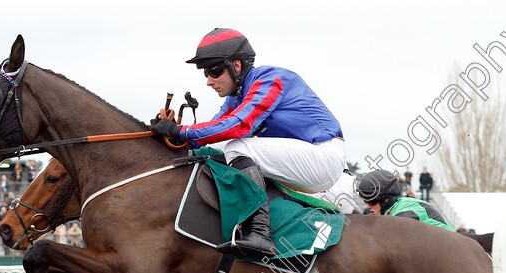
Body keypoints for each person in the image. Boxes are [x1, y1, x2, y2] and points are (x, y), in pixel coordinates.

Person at [150, 28, 354, 258]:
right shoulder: (236, 97)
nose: (208, 81)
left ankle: (260, 233)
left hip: (324, 158)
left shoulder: (271, 80)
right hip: (305, 161)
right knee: (215, 150)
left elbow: (239, 126)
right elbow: (214, 132)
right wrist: (170, 138)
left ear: (236, 66)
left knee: (238, 146)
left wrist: (182, 131)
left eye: (213, 70)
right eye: (205, 72)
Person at [356, 170, 454, 231]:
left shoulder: (404, 215)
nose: (368, 207)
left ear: (386, 199)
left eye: (372, 202)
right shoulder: (400, 205)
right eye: (366, 201)